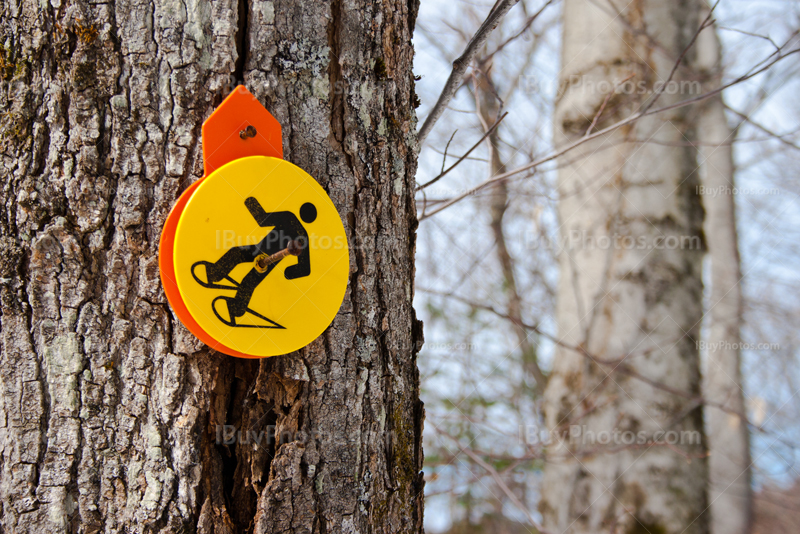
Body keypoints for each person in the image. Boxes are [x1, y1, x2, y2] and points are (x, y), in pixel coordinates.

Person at [191, 197, 317, 328]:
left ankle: (216, 276)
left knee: (240, 263)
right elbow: (304, 268)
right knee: (247, 279)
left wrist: (251, 203)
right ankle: (233, 306)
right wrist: (289, 273)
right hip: (264, 255)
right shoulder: (303, 236)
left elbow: (262, 219)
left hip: (262, 253)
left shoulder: (289, 217)